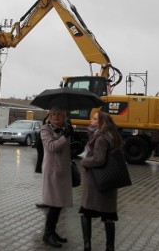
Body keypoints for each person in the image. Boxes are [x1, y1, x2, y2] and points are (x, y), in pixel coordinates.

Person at [80, 111, 123, 251]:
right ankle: (110, 246)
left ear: (101, 122)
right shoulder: (113, 136)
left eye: (94, 119)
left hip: (96, 183)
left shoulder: (100, 138)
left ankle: (87, 244)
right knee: (108, 216)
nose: (91, 121)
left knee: (87, 213)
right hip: (109, 182)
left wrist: (85, 162)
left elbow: (99, 159)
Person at [40, 106, 73, 248]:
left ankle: (52, 231)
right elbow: (51, 147)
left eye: (59, 114)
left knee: (59, 204)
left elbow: (67, 148)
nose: (56, 116)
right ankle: (47, 235)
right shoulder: (46, 129)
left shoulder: (66, 128)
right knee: (53, 203)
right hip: (52, 170)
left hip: (63, 170)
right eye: (53, 114)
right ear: (49, 115)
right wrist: (64, 137)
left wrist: (74, 140)